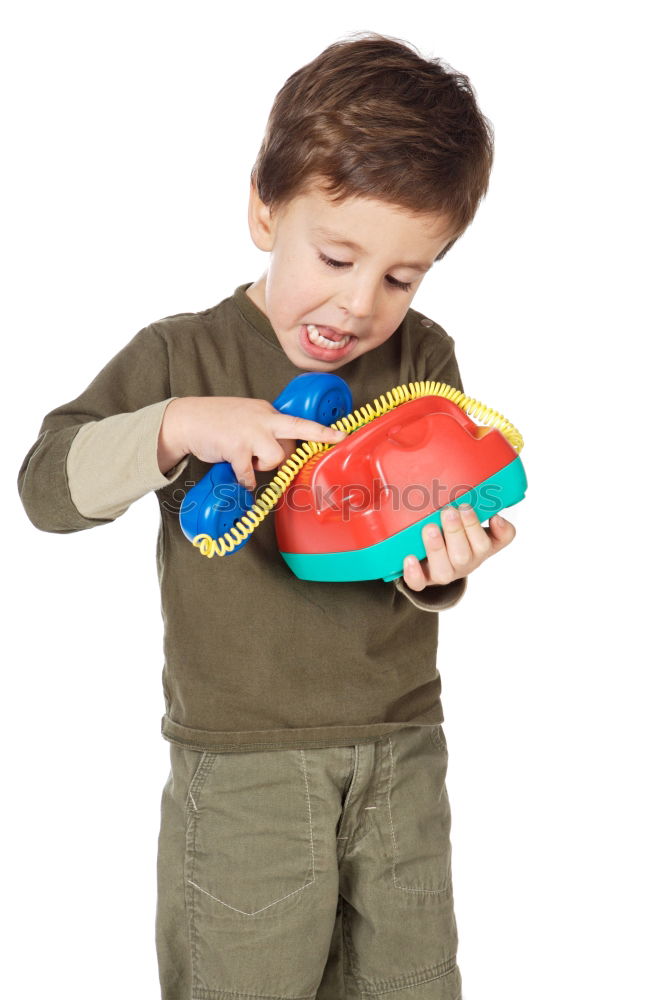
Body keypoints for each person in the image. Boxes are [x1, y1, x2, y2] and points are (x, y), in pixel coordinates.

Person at [17, 30, 516, 1000]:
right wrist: (176, 427)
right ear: (262, 207)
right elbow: (46, 484)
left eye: (401, 276)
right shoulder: (183, 355)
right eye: (334, 255)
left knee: (413, 981)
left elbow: (429, 533)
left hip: (402, 750)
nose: (359, 303)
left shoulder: (423, 359)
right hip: (242, 770)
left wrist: (443, 563)